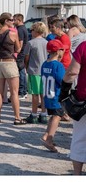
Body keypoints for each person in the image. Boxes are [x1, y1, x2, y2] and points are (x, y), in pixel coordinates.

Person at [0, 12, 26, 125]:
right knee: (14, 92)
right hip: (9, 62)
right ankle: (17, 117)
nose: (13, 21)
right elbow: (18, 49)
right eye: (11, 20)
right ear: (6, 21)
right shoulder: (12, 33)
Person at [59, 40, 86, 175]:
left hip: (84, 100)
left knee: (80, 138)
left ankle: (77, 175)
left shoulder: (84, 46)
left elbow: (72, 72)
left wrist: (64, 91)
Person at [40, 39, 66, 153]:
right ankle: (49, 139)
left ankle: (46, 135)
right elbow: (62, 80)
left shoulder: (45, 63)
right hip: (56, 96)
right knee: (57, 117)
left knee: (53, 116)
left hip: (47, 96)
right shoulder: (58, 65)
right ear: (58, 51)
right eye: (62, 50)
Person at [24, 22, 49, 124]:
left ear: (36, 31)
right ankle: (44, 114)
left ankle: (34, 114)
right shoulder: (46, 42)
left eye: (32, 30)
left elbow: (26, 57)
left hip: (34, 70)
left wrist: (26, 66)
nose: (31, 32)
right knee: (43, 94)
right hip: (45, 71)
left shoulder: (31, 43)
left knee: (35, 94)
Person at [13, 13, 29, 100]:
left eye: (14, 20)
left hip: (21, 53)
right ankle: (23, 91)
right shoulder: (22, 28)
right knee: (21, 72)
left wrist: (17, 51)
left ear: (19, 20)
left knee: (21, 72)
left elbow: (21, 42)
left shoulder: (20, 29)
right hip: (23, 52)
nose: (13, 21)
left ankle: (23, 92)